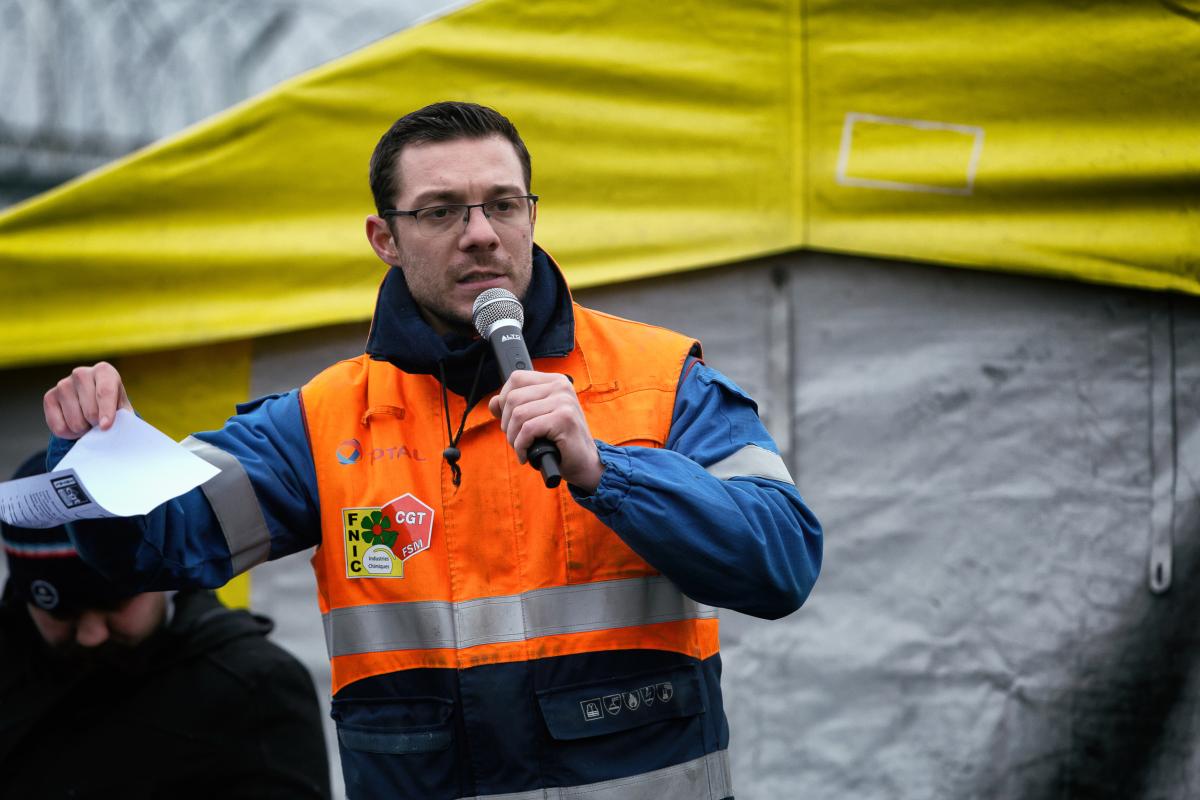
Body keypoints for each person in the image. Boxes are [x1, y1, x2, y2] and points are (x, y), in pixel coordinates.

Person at [42, 101, 822, 800]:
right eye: (442, 210)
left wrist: (607, 470)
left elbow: (782, 562)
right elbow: (147, 550)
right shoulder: (324, 421)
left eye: (502, 205)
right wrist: (90, 452)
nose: (481, 233)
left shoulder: (660, 380)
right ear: (386, 237)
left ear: (531, 217)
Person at [0, 451, 332, 800]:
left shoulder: (253, 687)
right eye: (61, 614)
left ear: (159, 575)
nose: (91, 636)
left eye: (115, 605)